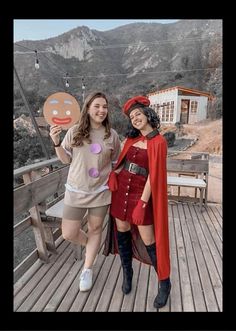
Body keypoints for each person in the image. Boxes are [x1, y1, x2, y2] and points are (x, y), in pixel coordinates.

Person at [103, 95, 171, 309]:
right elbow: (123, 161)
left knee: (151, 241)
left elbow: (154, 174)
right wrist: (116, 173)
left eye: (138, 114)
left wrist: (143, 203)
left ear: (147, 114)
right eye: (132, 117)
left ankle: (164, 283)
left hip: (142, 195)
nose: (135, 118)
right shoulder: (131, 140)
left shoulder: (158, 142)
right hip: (121, 192)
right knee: (121, 231)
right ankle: (127, 272)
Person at [49, 91, 121, 292]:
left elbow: (117, 164)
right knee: (68, 233)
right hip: (75, 191)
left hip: (100, 192)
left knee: (96, 229)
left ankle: (87, 269)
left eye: (104, 106)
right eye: (97, 106)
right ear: (88, 109)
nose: (101, 110)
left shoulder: (112, 135)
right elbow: (65, 159)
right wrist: (56, 141)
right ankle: (92, 246)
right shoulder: (74, 131)